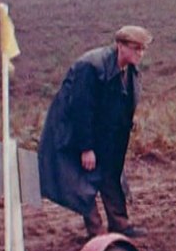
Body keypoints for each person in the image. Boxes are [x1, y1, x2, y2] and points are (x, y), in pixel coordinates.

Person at [38, 25, 153, 238]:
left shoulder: (130, 71)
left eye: (143, 49)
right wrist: (86, 147)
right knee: (84, 181)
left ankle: (119, 223)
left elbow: (121, 103)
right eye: (136, 48)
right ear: (120, 45)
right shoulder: (90, 67)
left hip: (105, 134)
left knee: (111, 174)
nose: (140, 53)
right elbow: (81, 109)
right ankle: (96, 231)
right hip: (74, 133)